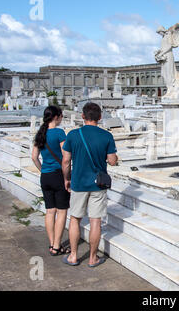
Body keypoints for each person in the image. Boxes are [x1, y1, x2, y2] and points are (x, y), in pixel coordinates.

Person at [61, 103, 118, 267]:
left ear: (83, 116)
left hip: (78, 183)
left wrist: (66, 178)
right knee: (95, 221)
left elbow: (66, 161)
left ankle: (73, 256)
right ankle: (92, 258)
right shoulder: (106, 136)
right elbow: (112, 161)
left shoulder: (73, 135)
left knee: (74, 219)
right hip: (97, 185)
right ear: (100, 117)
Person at [32, 106, 71, 256]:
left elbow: (34, 157)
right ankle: (56, 246)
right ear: (56, 117)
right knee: (61, 212)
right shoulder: (59, 133)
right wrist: (66, 177)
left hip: (45, 176)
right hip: (58, 175)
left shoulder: (40, 134)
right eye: (61, 116)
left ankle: (52, 243)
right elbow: (65, 157)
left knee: (49, 211)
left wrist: (43, 170)